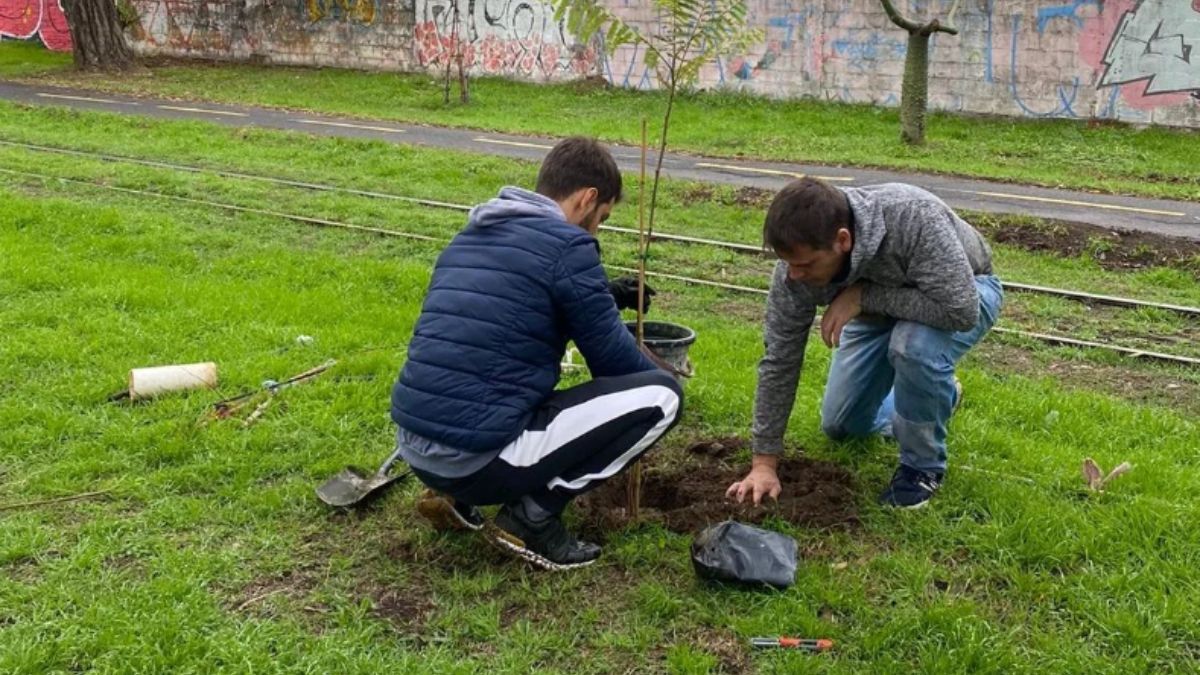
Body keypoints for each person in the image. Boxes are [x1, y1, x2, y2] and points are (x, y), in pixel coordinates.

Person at [391, 137, 683, 570]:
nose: (596, 230)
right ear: (588, 199)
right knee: (663, 397)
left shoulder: (473, 234)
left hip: (417, 449)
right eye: (601, 219)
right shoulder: (568, 246)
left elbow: (517, 298)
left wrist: (602, 293)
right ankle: (535, 513)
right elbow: (614, 366)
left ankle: (457, 495)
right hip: (477, 462)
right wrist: (664, 372)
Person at [727, 178, 1002, 509]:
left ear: (842, 240)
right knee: (842, 423)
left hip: (963, 291)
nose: (794, 275)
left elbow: (960, 310)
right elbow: (779, 359)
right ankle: (940, 395)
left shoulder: (913, 216)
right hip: (876, 311)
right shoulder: (794, 271)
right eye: (788, 264)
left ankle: (921, 469)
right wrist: (763, 464)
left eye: (805, 265)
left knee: (911, 345)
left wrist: (864, 295)